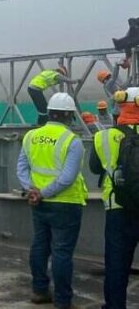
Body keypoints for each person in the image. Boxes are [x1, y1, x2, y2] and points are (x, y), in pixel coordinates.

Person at [17, 92, 87, 309]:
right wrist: (43, 193)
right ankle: (63, 300)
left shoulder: (31, 136)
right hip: (66, 203)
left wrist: (32, 191)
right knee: (62, 252)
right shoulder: (71, 141)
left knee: (40, 245)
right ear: (69, 115)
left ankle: (39, 290)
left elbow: (21, 168)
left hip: (38, 203)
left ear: (49, 113)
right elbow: (67, 178)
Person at [89, 89, 139, 309]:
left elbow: (93, 168)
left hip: (117, 208)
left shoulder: (103, 137)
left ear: (120, 107)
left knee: (117, 264)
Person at [97, 59, 130, 124]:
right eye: (108, 77)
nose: (110, 77)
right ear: (104, 79)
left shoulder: (113, 86)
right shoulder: (108, 85)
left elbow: (124, 86)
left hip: (119, 110)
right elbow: (114, 77)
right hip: (118, 111)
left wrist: (130, 78)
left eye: (109, 76)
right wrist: (116, 65)